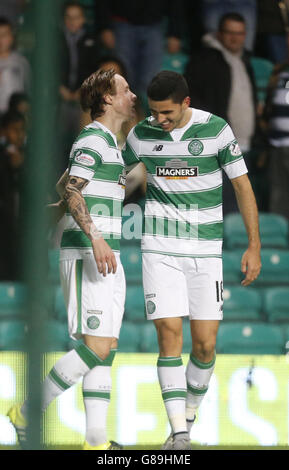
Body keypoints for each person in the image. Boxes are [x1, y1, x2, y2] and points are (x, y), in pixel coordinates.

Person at [123, 70, 261, 450]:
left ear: (186, 102)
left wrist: (254, 245)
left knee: (204, 346)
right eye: (154, 113)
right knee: (169, 334)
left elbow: (242, 185)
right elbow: (115, 177)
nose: (160, 120)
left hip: (205, 251)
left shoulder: (216, 130)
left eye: (167, 113)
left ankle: (184, 422)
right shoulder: (141, 135)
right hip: (159, 248)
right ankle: (179, 436)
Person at [7, 68, 137, 450]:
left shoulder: (110, 143)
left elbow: (66, 187)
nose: (132, 95)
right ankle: (26, 412)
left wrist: (56, 209)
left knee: (104, 347)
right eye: (125, 89)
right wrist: (94, 236)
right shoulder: (93, 138)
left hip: (105, 250)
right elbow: (76, 193)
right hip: (88, 250)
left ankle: (96, 441)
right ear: (108, 99)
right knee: (95, 345)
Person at [185, 12, 258, 214]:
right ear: (219, 34)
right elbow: (192, 101)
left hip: (245, 146)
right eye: (230, 32)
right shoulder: (203, 61)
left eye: (240, 33)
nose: (235, 38)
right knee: (223, 209)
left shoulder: (245, 61)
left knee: (240, 209)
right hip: (218, 146)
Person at [0, 110, 25, 280]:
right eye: (14, 130)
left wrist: (20, 167)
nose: (19, 135)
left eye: (22, 130)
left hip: (21, 224)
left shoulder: (28, 157)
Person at [0, 16, 30, 116]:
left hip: (14, 118)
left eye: (4, 35)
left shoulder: (21, 62)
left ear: (11, 37)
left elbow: (28, 88)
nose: (1, 39)